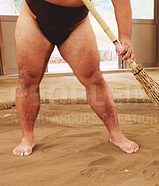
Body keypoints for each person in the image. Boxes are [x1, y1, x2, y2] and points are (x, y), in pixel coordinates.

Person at [13, 0, 139, 156]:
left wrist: (125, 37)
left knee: (94, 79)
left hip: (76, 22)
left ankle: (116, 134)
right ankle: (27, 137)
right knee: (27, 79)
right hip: (34, 16)